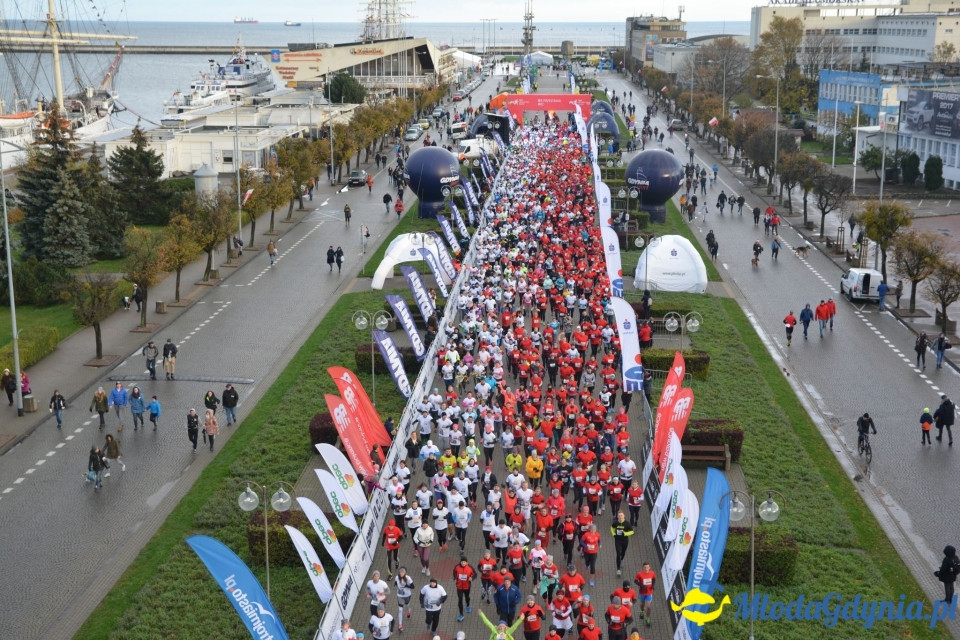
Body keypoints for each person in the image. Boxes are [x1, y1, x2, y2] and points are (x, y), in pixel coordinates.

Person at [453, 555, 477, 621]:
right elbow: (454, 573)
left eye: (464, 562)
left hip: (467, 586)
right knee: (460, 600)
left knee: (467, 597)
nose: (463, 563)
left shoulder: (470, 567)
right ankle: (461, 614)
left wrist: (472, 578)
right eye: (462, 562)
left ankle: (468, 605)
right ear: (460, 562)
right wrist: (455, 578)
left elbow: (475, 574)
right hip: (459, 587)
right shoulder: (457, 567)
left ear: (466, 562)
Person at [611, 511, 635, 576]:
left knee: (623, 552)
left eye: (621, 515)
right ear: (617, 517)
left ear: (624, 516)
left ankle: (622, 559)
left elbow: (632, 532)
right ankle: (618, 569)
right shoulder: (615, 522)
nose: (620, 517)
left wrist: (625, 533)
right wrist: (613, 534)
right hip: (617, 540)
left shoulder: (627, 523)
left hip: (625, 540)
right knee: (618, 554)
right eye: (619, 516)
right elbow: (612, 528)